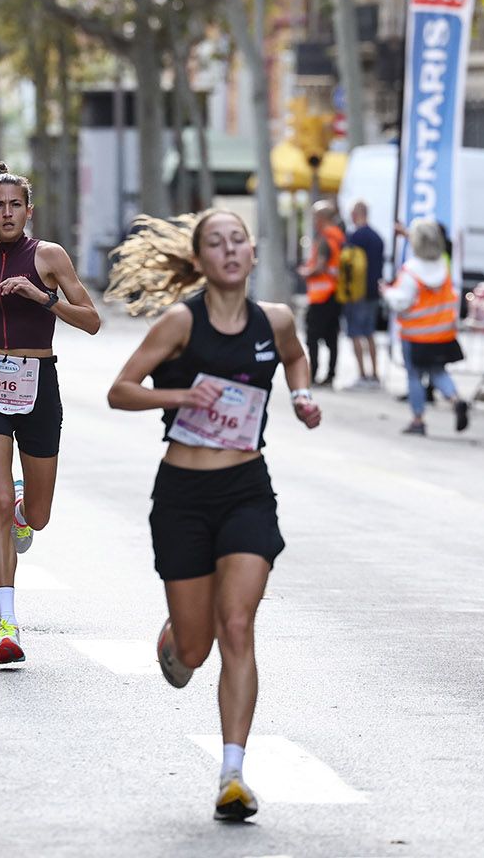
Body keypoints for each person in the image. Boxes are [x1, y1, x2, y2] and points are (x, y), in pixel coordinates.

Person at [105, 209, 321, 823]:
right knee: (196, 651)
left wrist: (302, 395)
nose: (229, 250)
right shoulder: (181, 322)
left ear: (252, 252)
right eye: (216, 243)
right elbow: (120, 390)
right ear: (200, 260)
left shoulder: (275, 320)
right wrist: (181, 395)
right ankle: (178, 634)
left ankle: (233, 774)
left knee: (238, 625)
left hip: (247, 489)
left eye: (238, 241)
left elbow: (295, 357)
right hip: (183, 496)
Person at [0, 162, 101, 666]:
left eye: (15, 205)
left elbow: (91, 320)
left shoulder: (49, 255)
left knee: (37, 517)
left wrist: (41, 297)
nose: (6, 213)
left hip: (38, 385)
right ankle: (7, 625)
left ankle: (28, 511)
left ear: (29, 211)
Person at [382, 218, 469, 436]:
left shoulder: (411, 271)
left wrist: (386, 292)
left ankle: (418, 419)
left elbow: (401, 302)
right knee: (438, 371)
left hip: (415, 335)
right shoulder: (444, 266)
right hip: (441, 333)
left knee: (414, 376)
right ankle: (455, 399)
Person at [297, 201, 345, 386]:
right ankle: (331, 374)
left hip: (321, 296)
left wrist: (306, 272)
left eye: (315, 217)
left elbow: (320, 266)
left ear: (322, 218)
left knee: (312, 337)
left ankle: (314, 373)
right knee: (332, 337)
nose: (314, 221)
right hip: (335, 294)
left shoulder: (325, 238)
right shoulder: (339, 237)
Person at [343, 199, 384, 388]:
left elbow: (348, 266)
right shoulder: (377, 237)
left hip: (357, 292)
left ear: (356, 214)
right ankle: (375, 374)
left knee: (355, 333)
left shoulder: (355, 237)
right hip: (373, 291)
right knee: (370, 333)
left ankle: (362, 375)